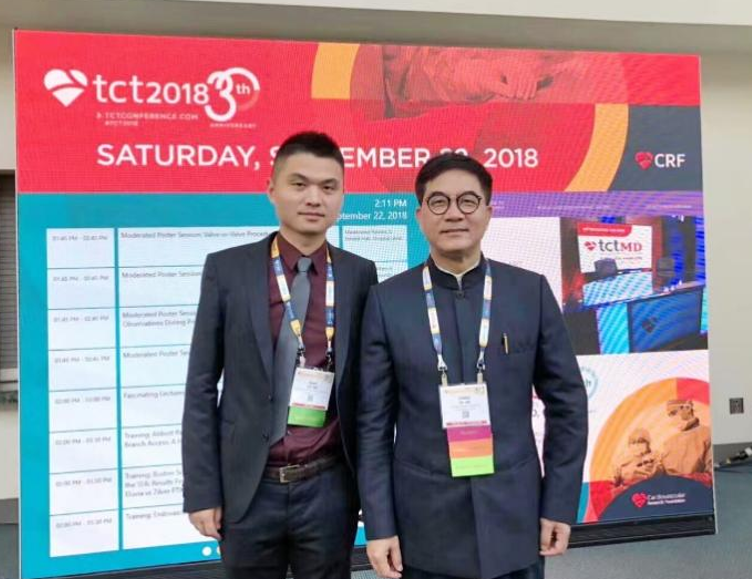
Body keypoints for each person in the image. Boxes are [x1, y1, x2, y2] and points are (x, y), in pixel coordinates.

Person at [358, 152, 588, 579]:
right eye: (439, 202)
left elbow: (568, 405)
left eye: (468, 201)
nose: (454, 213)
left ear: (488, 212)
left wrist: (559, 503)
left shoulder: (529, 293)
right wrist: (379, 524)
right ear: (420, 216)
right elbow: (373, 424)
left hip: (515, 515)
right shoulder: (387, 302)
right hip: (424, 523)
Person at [182, 131, 378, 579]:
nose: (314, 198)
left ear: (342, 197)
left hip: (328, 485)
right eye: (299, 184)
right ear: (271, 189)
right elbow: (201, 383)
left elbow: (368, 393)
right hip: (248, 486)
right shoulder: (228, 269)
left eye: (328, 187)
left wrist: (372, 493)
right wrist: (201, 490)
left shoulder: (360, 274)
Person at [661, 399, 712, 480]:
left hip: (696, 486)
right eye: (670, 415)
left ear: (687, 408)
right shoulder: (669, 442)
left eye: (674, 413)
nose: (672, 418)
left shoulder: (708, 434)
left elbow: (712, 474)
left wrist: (689, 479)